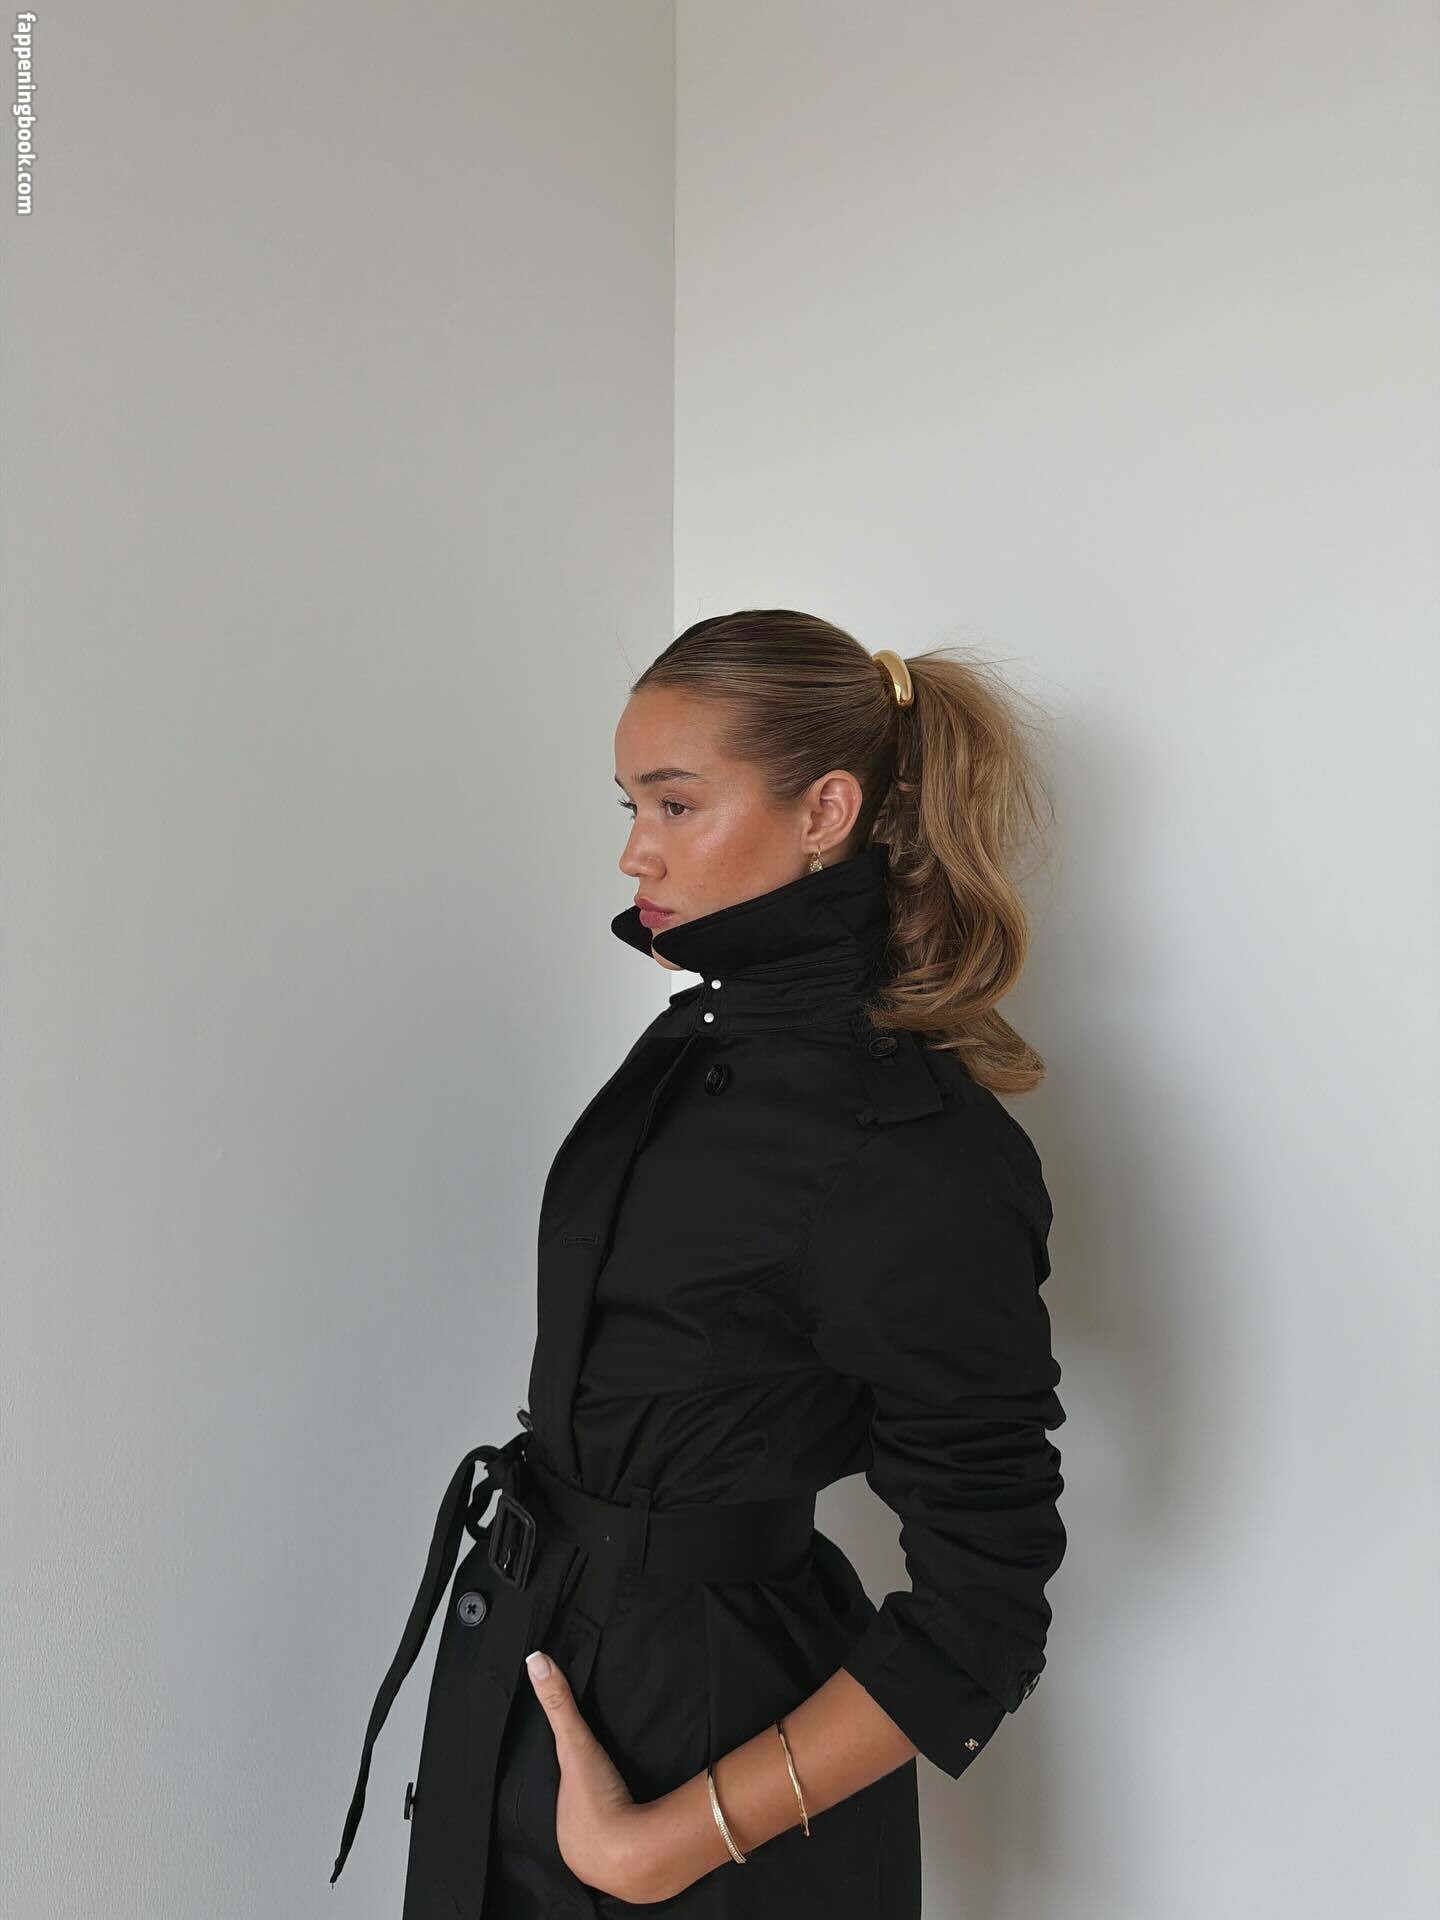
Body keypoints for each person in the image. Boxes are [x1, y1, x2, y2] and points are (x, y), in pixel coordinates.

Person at [330, 609, 1068, 1918]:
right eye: (631, 805)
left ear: (825, 810)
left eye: (674, 804)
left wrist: (662, 1843)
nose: (635, 849)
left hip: (707, 1754)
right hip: (528, 1669)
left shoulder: (911, 1149)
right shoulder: (687, 1047)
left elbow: (985, 1604)